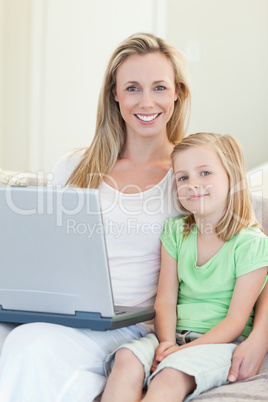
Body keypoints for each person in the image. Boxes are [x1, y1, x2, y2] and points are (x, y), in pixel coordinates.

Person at [0, 32, 266, 401]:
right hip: (66, 316)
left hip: (130, 328)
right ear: (115, 94)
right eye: (132, 88)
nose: (146, 101)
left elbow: (253, 252)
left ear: (178, 93)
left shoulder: (191, 177)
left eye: (159, 87)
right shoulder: (74, 167)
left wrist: (259, 338)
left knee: (29, 343)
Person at [101, 132, 268, 402]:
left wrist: (179, 354)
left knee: (170, 375)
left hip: (218, 343)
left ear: (232, 177)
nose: (193, 184)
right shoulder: (176, 232)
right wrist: (166, 343)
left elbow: (236, 321)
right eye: (183, 177)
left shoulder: (252, 243)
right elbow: (165, 299)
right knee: (126, 358)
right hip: (170, 335)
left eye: (205, 173)